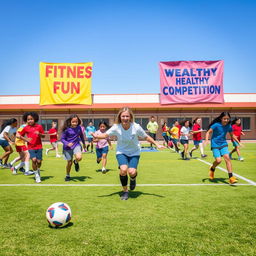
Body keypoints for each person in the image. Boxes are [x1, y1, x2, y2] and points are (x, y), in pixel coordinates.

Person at [92, 107, 164, 200]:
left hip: (134, 152)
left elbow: (146, 137)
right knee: (123, 170)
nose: (125, 118)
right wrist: (96, 136)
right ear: (120, 117)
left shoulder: (136, 127)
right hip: (121, 151)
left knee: (132, 172)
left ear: (130, 117)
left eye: (127, 116)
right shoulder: (116, 127)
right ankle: (125, 191)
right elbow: (105, 135)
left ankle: (133, 179)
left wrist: (157, 144)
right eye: (123, 116)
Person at [205, 112, 240, 184]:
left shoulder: (229, 126)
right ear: (221, 118)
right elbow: (208, 132)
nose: (226, 120)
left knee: (227, 158)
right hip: (215, 144)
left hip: (223, 144)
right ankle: (212, 168)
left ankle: (231, 177)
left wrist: (238, 142)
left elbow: (232, 135)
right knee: (218, 161)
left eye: (227, 119)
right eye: (224, 119)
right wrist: (206, 140)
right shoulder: (216, 125)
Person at [18, 112, 45, 183]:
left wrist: (39, 134)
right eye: (28, 119)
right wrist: (26, 139)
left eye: (31, 119)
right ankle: (37, 176)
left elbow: (43, 136)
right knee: (34, 160)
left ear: (35, 119)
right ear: (26, 120)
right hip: (31, 147)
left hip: (39, 147)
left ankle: (38, 170)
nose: (30, 121)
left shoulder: (39, 127)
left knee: (39, 162)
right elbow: (18, 135)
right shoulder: (25, 128)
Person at [61, 114, 86, 181]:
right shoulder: (66, 129)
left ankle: (76, 161)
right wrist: (67, 143)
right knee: (69, 163)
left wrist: (84, 143)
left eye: (76, 122)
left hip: (76, 144)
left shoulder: (79, 128)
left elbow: (81, 136)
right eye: (73, 122)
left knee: (79, 158)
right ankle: (67, 175)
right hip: (67, 148)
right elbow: (62, 139)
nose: (75, 123)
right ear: (70, 122)